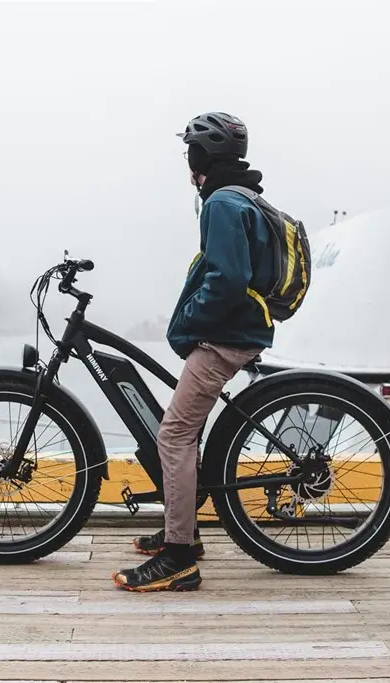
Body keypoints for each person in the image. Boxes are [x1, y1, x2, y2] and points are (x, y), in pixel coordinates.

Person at [112, 112, 277, 592]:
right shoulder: (241, 196)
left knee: (174, 436)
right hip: (238, 331)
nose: (189, 162)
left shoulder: (222, 203)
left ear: (201, 158)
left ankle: (180, 556)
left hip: (226, 337)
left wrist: (189, 322)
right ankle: (181, 531)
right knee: (185, 430)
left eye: (191, 153)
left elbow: (227, 280)